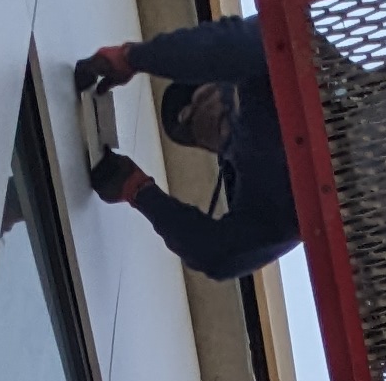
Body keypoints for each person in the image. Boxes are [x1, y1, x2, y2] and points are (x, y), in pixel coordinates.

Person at [74, 22, 297, 284]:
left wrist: (133, 57)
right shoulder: (268, 200)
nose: (190, 120)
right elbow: (219, 254)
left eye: (190, 110)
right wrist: (138, 190)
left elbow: (229, 47)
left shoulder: (283, 63)